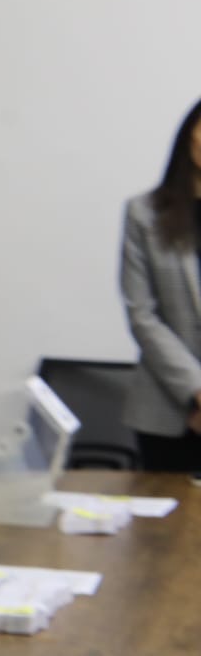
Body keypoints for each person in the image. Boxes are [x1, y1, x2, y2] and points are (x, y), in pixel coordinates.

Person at [120, 97, 201, 470]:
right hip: (166, 408)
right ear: (189, 136)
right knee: (163, 508)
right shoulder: (144, 213)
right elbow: (142, 315)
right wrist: (196, 390)